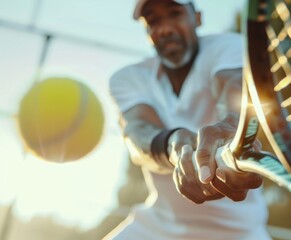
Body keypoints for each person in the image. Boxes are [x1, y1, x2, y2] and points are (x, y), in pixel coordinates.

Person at [103, 0, 270, 239]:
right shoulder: (128, 78)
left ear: (198, 18)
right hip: (157, 228)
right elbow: (138, 131)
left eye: (174, 14)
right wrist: (174, 144)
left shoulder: (228, 47)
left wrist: (231, 129)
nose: (165, 28)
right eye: (153, 21)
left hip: (241, 232)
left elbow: (233, 87)